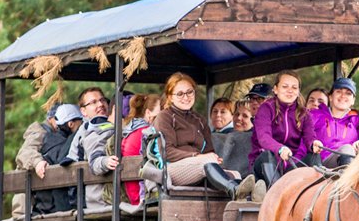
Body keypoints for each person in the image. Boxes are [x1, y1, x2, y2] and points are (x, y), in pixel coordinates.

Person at [154, 72, 254, 200]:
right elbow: (167, 152)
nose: (186, 97)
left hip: (199, 166)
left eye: (189, 92)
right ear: (170, 97)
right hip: (173, 168)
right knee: (206, 163)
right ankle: (236, 191)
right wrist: (198, 156)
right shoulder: (164, 117)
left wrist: (214, 158)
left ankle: (249, 198)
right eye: (180, 94)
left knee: (234, 173)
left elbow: (209, 151)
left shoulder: (199, 120)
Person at [249, 70, 322, 187]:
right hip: (263, 164)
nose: (290, 90)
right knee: (268, 154)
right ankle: (276, 194)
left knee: (314, 155)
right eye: (285, 86)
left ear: (298, 92)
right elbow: (264, 138)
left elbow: (310, 137)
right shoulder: (266, 108)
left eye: (294, 87)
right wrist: (280, 149)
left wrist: (314, 144)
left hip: (288, 166)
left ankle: (317, 197)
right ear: (276, 89)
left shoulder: (304, 113)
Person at [311, 77, 359, 168]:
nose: (343, 96)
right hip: (321, 166)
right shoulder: (315, 115)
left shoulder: (358, 119)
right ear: (331, 97)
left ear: (353, 100)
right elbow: (304, 140)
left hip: (349, 164)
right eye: (339, 91)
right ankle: (347, 181)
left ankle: (348, 179)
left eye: (348, 93)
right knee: (347, 149)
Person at [33, 104, 84, 214]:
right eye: (80, 122)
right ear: (71, 124)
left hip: (43, 206)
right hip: (59, 207)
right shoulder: (68, 143)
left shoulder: (47, 141)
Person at [121, 93, 162, 205]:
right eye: (161, 109)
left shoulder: (131, 130)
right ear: (148, 113)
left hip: (132, 193)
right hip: (142, 195)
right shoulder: (147, 132)